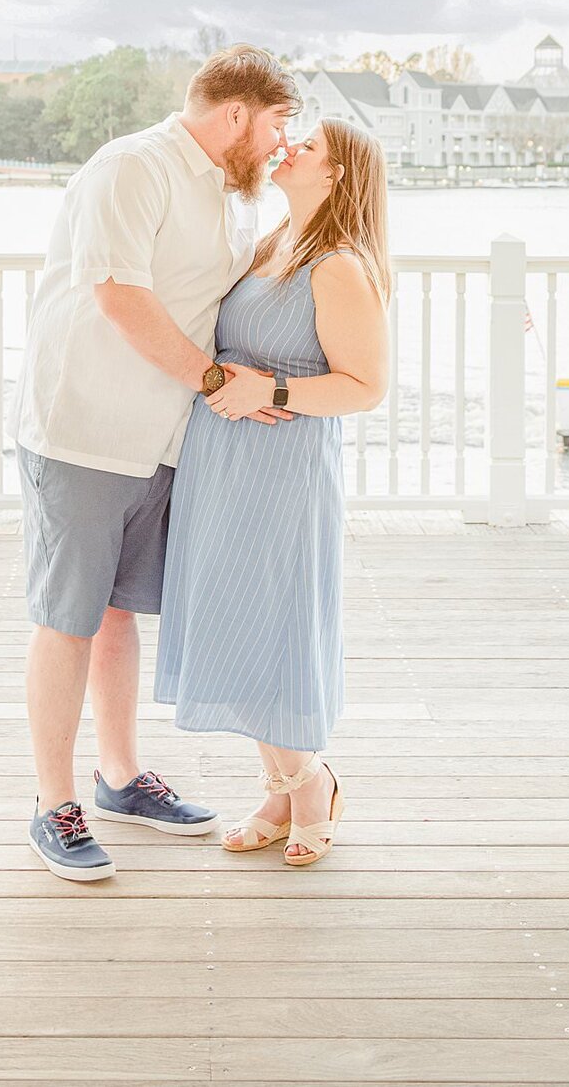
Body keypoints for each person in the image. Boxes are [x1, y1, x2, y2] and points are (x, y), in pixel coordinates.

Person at [9, 45, 301, 882]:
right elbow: (120, 295)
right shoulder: (132, 167)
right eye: (277, 123)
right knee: (67, 614)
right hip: (83, 431)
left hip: (162, 438)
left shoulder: (226, 192)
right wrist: (214, 380)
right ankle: (51, 801)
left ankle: (121, 777)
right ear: (236, 113)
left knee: (114, 614)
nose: (281, 142)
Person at [154, 119, 391, 867]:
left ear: (339, 175)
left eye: (308, 146)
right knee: (237, 618)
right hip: (223, 464)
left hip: (283, 471)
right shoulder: (269, 244)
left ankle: (309, 781)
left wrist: (272, 385)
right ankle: (282, 788)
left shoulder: (338, 266)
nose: (288, 149)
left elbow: (366, 388)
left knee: (276, 622)